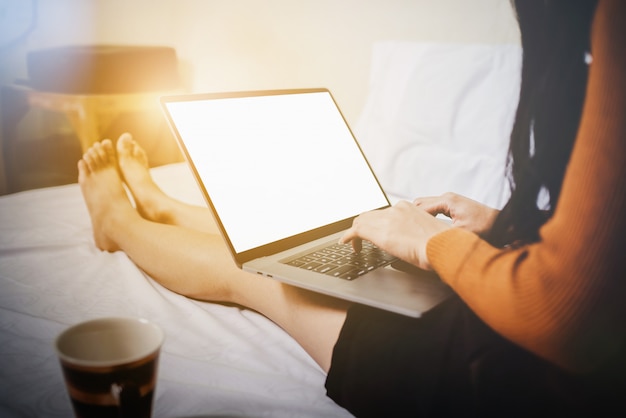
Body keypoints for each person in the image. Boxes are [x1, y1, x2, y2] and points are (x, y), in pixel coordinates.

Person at [77, 0, 625, 416]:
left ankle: (117, 222)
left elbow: (564, 315)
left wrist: (433, 241)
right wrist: (506, 230)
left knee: (262, 272)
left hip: (511, 377)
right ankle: (163, 205)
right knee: (294, 237)